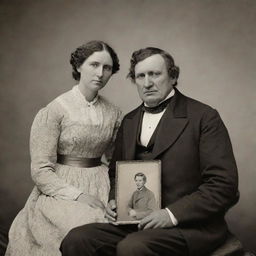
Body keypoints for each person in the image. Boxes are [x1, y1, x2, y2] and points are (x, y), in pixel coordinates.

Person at [60, 47, 239, 256]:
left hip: (190, 226)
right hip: (135, 222)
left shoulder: (204, 117)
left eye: (155, 74)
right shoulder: (129, 121)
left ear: (173, 76)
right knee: (78, 239)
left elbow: (223, 185)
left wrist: (171, 214)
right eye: (140, 76)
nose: (147, 83)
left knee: (134, 247)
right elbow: (115, 173)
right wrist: (114, 200)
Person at [5, 40, 122, 256]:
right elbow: (40, 170)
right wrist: (79, 196)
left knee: (113, 231)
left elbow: (115, 160)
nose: (100, 73)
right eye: (94, 65)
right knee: (81, 229)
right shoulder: (55, 110)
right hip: (62, 188)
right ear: (79, 66)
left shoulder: (113, 113)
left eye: (107, 68)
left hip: (102, 184)